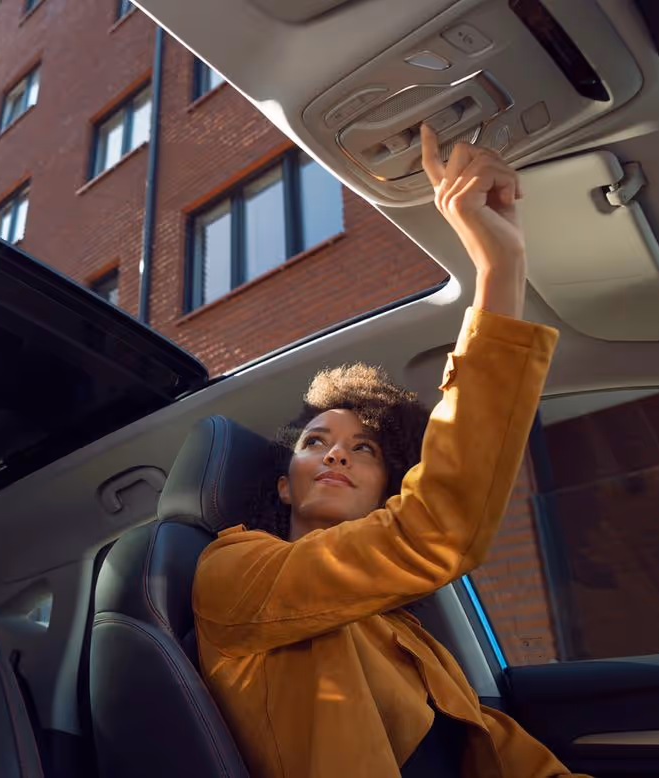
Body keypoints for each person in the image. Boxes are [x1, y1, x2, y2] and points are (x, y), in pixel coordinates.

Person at [192, 125, 587, 778]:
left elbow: (505, 754)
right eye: (315, 443)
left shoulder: (407, 635)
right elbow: (434, 526)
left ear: (387, 485)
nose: (336, 456)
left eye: (363, 449)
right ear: (285, 484)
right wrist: (498, 267)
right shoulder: (234, 570)